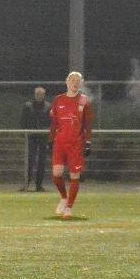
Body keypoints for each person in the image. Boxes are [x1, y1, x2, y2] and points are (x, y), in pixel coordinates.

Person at [49, 71, 95, 219]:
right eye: (72, 80)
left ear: (81, 83)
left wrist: (88, 142)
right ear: (67, 82)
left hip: (76, 143)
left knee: (74, 175)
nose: (75, 83)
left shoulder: (84, 101)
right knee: (57, 173)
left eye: (78, 80)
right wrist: (50, 139)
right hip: (60, 142)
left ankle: (69, 207)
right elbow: (54, 123)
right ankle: (64, 197)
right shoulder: (58, 100)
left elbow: (88, 125)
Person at [19, 87, 51, 192]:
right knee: (30, 160)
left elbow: (52, 121)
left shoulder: (48, 106)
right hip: (31, 136)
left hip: (43, 137)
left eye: (41, 94)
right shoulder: (28, 106)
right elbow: (23, 121)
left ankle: (39, 185)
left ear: (44, 95)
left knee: (42, 161)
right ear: (34, 94)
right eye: (37, 94)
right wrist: (25, 132)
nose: (39, 96)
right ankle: (26, 184)